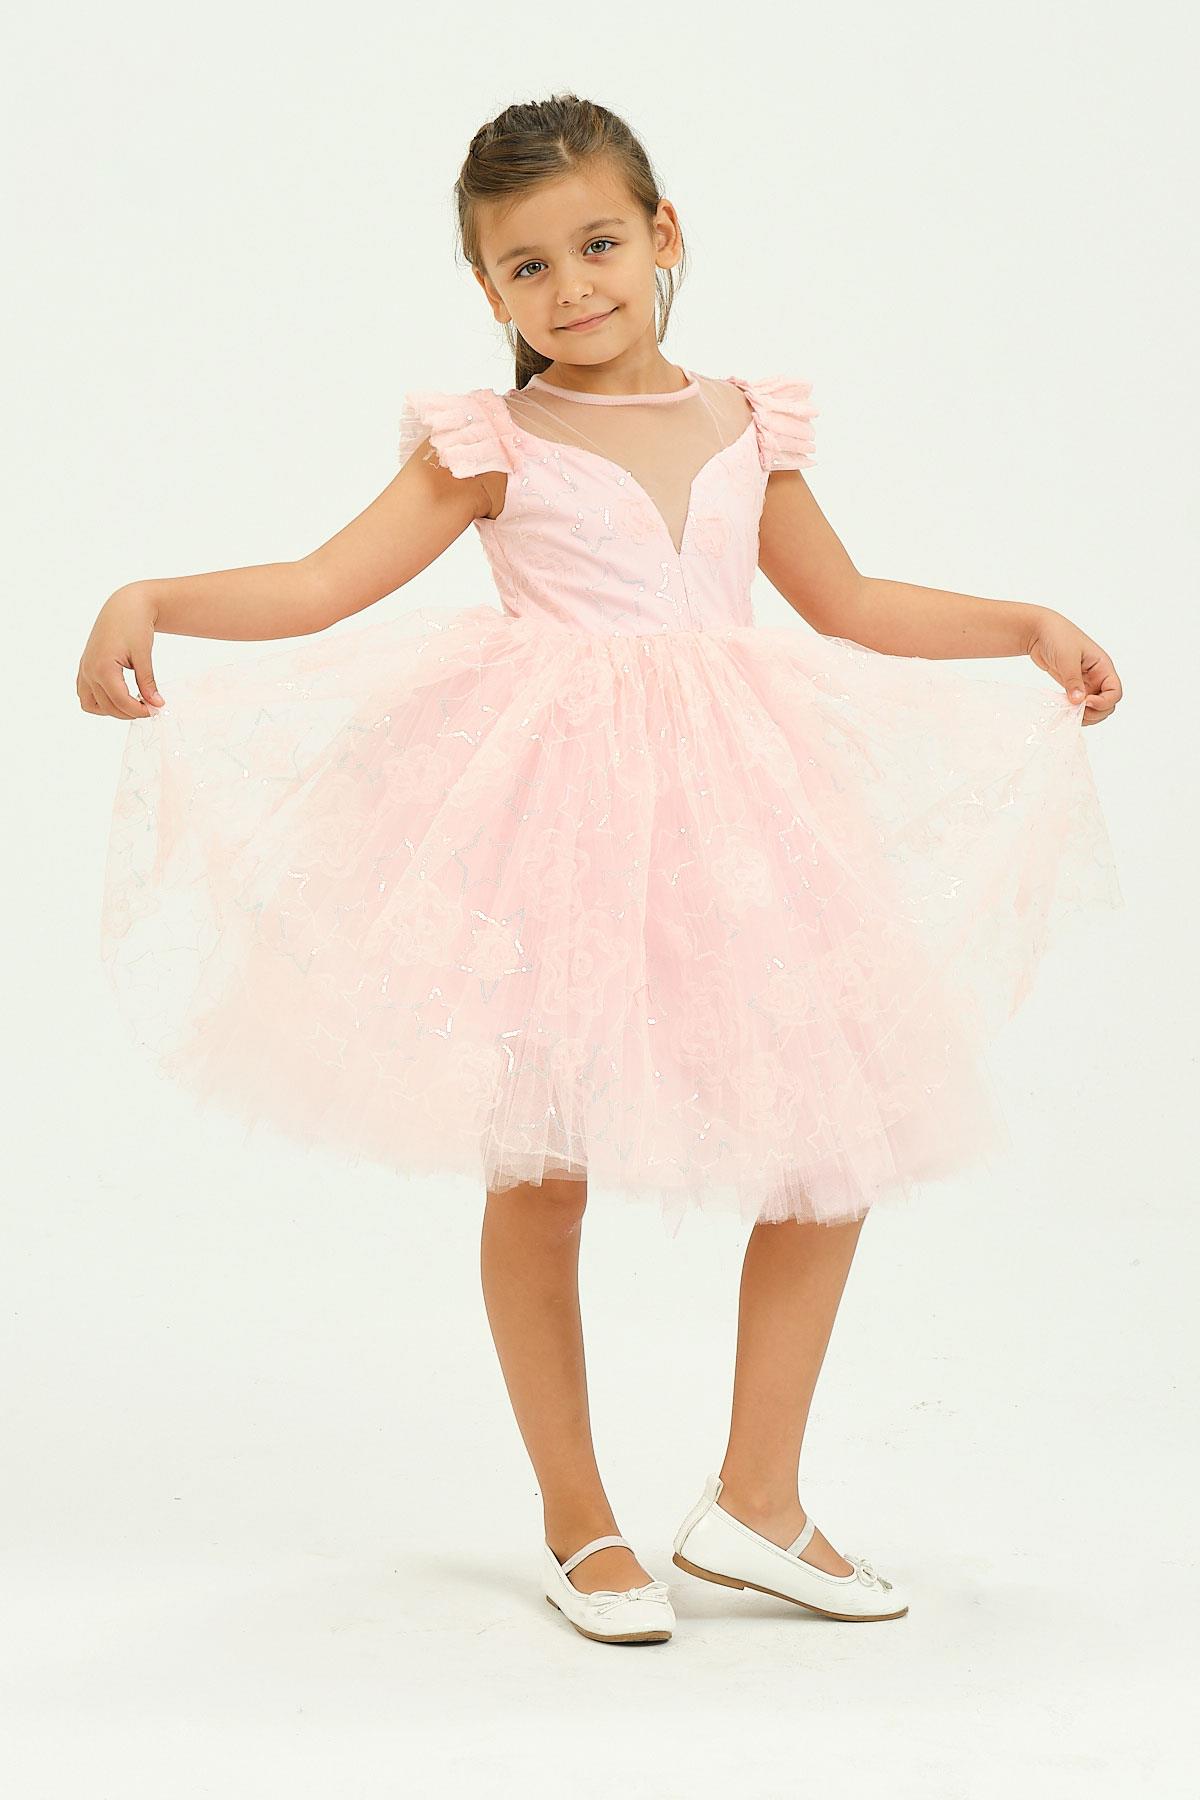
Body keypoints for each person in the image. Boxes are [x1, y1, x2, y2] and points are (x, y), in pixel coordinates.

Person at [80, 93, 1124, 1646]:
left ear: (662, 236)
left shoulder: (746, 421)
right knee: (544, 1162)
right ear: (487, 289)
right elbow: (320, 582)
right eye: (527, 267)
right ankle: (580, 1516)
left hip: (742, 818)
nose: (570, 288)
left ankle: (759, 1500)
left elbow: (846, 601)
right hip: (553, 828)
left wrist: (1024, 623)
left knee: (831, 1141)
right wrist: (151, 594)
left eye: (598, 245)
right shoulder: (492, 443)